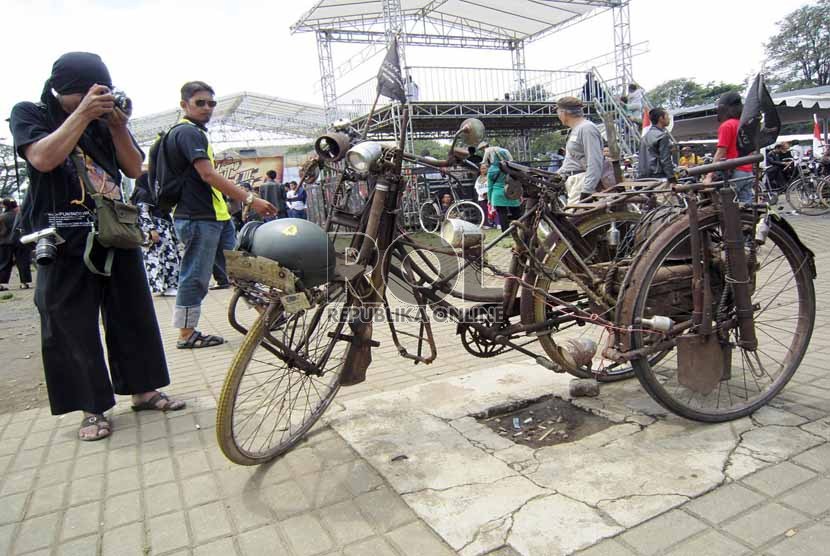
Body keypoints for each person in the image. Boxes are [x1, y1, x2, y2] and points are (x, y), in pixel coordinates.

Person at [9, 52, 185, 441]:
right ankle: (92, 407)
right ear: (63, 90)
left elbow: (134, 167)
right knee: (70, 322)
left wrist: (118, 126)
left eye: (101, 90)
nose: (95, 96)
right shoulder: (29, 113)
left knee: (132, 312)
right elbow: (42, 158)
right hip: (60, 235)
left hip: (113, 229)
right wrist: (83, 115)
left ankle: (144, 389)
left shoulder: (103, 120)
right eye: (87, 91)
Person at [163, 80, 277, 349]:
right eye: (200, 103)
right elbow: (208, 174)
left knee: (241, 267)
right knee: (196, 276)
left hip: (215, 217)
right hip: (198, 218)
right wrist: (250, 198)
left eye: (211, 103)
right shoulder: (188, 133)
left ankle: (267, 314)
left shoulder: (192, 133)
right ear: (184, 104)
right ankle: (186, 333)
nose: (207, 108)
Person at [131, 173, 180, 296]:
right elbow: (143, 213)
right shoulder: (143, 194)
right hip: (156, 230)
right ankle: (168, 286)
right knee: (164, 257)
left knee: (165, 257)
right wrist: (151, 230)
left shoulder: (145, 194)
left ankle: (166, 286)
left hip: (160, 228)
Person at [702, 91, 754, 202]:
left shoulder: (727, 126)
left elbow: (721, 152)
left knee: (727, 206)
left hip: (735, 172)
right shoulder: (745, 124)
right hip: (748, 171)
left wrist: (709, 175)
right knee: (747, 210)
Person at [555, 96, 604, 205]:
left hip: (582, 181)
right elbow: (570, 160)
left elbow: (594, 161)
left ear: (563, 113)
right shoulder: (575, 130)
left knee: (574, 220)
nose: (558, 115)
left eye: (558, 112)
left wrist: (587, 190)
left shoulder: (586, 128)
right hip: (573, 181)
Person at [485, 145, 519, 231]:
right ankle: (518, 229)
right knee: (516, 213)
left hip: (498, 194)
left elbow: (490, 187)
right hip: (512, 192)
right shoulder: (513, 167)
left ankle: (506, 232)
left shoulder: (492, 169)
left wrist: (489, 199)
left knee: (502, 214)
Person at [0, 198, 32, 290]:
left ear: (4, 206)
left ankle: (2, 284)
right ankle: (24, 283)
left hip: (4, 243)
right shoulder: (21, 216)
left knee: (4, 263)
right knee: (23, 262)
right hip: (20, 241)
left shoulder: (2, 217)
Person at [638, 107, 675, 180]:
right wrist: (672, 178)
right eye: (667, 116)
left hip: (643, 177)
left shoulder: (644, 137)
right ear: (661, 118)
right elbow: (665, 159)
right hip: (658, 176)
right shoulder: (662, 136)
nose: (669, 119)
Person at [473, 163, 492, 228]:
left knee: (492, 210)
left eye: (484, 168)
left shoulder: (490, 176)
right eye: (481, 169)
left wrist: (488, 193)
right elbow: (476, 187)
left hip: (490, 196)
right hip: (481, 197)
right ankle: (487, 224)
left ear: (488, 169)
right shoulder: (478, 178)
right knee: (484, 211)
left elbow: (491, 186)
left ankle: (497, 223)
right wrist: (480, 194)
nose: (483, 170)